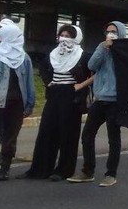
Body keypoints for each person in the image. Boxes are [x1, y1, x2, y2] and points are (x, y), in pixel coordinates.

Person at [18, 24, 89, 181]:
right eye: (61, 35)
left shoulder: (83, 56)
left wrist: (81, 86)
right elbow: (43, 68)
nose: (64, 39)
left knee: (68, 133)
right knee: (46, 131)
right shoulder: (53, 54)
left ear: (76, 38)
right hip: (54, 94)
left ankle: (64, 170)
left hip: (71, 96)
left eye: (68, 36)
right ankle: (40, 169)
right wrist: (48, 82)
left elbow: (94, 72)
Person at [68, 21, 126, 187]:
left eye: (114, 31)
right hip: (100, 99)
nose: (110, 34)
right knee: (87, 135)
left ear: (120, 33)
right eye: (108, 31)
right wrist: (103, 48)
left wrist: (115, 49)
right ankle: (88, 170)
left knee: (113, 139)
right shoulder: (101, 48)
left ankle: (111, 174)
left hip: (115, 101)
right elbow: (91, 65)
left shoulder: (124, 50)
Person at [0, 21, 35, 181]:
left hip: (17, 104)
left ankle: (5, 168)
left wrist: (29, 104)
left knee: (10, 136)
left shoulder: (24, 58)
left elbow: (29, 83)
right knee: (2, 133)